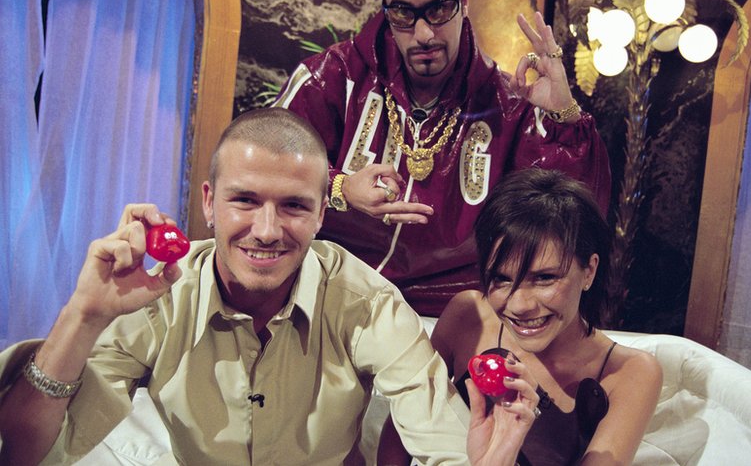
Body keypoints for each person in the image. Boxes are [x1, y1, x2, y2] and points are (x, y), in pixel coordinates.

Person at [0, 108, 539, 466]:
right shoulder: (161, 294)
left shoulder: (367, 304)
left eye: (294, 206)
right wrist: (83, 314)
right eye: (245, 200)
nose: (266, 230)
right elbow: (25, 453)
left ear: (322, 213)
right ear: (209, 203)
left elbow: (442, 442)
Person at [274, 0, 611, 317]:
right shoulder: (334, 78)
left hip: (454, 311)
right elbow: (266, 168)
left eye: (438, 10)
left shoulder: (505, 104)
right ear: (386, 11)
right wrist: (341, 187)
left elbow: (572, 218)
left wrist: (563, 116)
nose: (423, 33)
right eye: (403, 13)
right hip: (333, 291)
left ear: (463, 4)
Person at [379, 168, 663, 465]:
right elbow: (400, 435)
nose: (520, 305)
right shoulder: (468, 317)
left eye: (545, 278)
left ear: (589, 271)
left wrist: (501, 455)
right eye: (501, 279)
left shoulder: (631, 373)